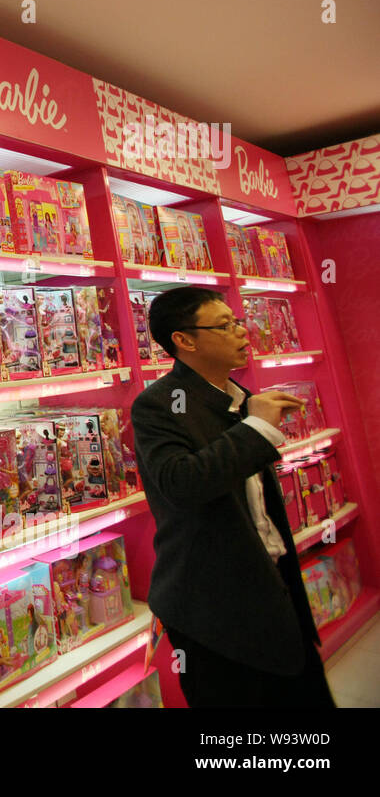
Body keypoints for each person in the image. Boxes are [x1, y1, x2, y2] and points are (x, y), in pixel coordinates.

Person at [129, 286, 332, 707]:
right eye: (225, 326)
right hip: (212, 610)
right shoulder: (158, 404)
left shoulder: (238, 399)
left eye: (237, 322)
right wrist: (255, 429)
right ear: (184, 341)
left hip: (270, 586)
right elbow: (181, 485)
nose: (242, 332)